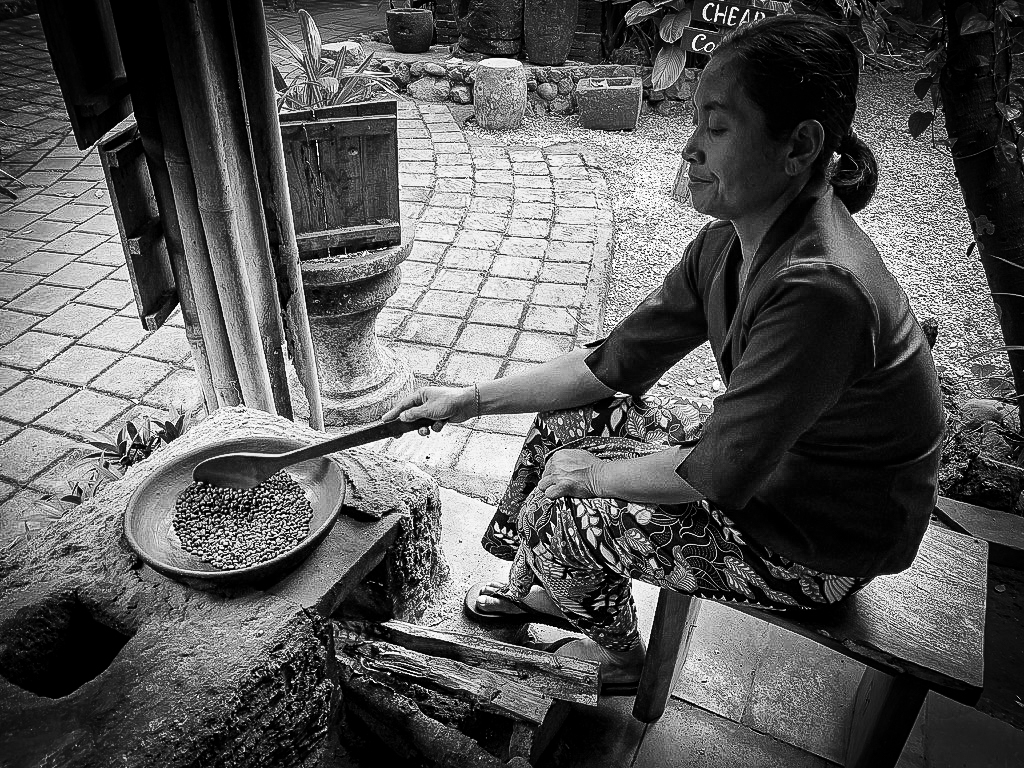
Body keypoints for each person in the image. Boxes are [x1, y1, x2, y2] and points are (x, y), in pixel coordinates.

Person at [382, 13, 945, 694]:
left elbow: (717, 473)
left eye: (716, 126)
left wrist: (590, 476)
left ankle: (622, 661)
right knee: (570, 424)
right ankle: (549, 591)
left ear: (798, 145)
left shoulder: (823, 289)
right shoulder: (728, 241)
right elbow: (608, 364)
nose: (688, 148)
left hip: (819, 538)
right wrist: (463, 401)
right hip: (773, 471)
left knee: (572, 503)